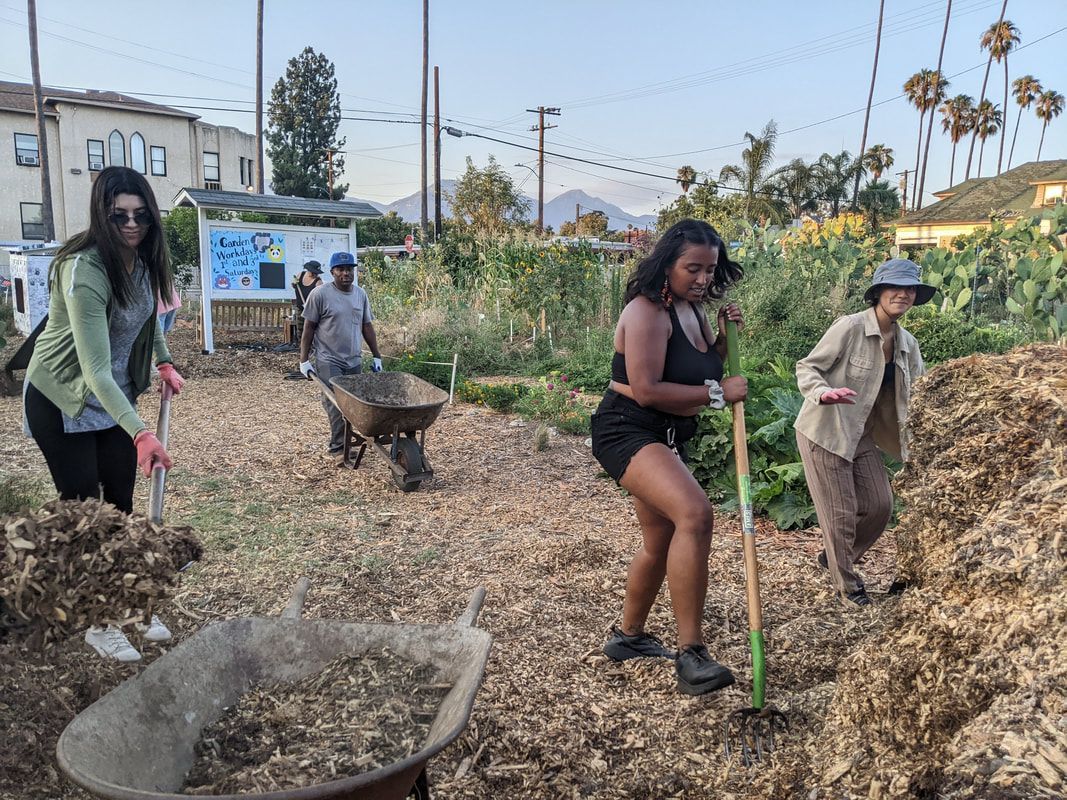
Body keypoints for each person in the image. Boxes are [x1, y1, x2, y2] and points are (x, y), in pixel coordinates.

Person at [24, 166, 184, 661]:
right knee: (87, 516)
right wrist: (140, 434)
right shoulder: (85, 270)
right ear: (102, 215)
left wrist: (163, 360)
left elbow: (148, 316)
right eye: (119, 217)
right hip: (63, 398)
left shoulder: (145, 258)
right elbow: (94, 370)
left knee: (120, 508)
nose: (132, 226)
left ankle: (129, 605)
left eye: (141, 217)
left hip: (110, 397)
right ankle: (99, 623)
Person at [590, 219, 746, 696]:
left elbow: (699, 367)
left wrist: (722, 340)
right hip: (627, 429)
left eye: (709, 269)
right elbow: (647, 389)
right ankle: (691, 654)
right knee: (694, 515)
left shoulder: (693, 310)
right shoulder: (646, 312)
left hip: (666, 434)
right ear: (667, 264)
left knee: (660, 542)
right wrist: (719, 395)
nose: (702, 279)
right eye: (692, 269)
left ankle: (628, 637)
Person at [794, 258, 931, 608]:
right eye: (895, 287)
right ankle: (848, 588)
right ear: (879, 292)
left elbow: (919, 392)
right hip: (825, 430)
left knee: (879, 507)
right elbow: (809, 366)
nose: (903, 294)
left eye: (910, 288)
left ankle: (834, 557)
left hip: (861, 434)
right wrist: (822, 392)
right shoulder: (851, 327)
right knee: (840, 512)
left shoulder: (908, 344)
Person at [298, 251, 383, 455]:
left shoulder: (360, 295)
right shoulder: (320, 295)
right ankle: (338, 447)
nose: (346, 273)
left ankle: (347, 440)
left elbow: (367, 327)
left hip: (353, 359)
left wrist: (377, 355)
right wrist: (304, 361)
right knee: (335, 402)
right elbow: (308, 328)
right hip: (328, 359)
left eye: (349, 269)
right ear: (332, 272)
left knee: (353, 404)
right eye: (341, 269)